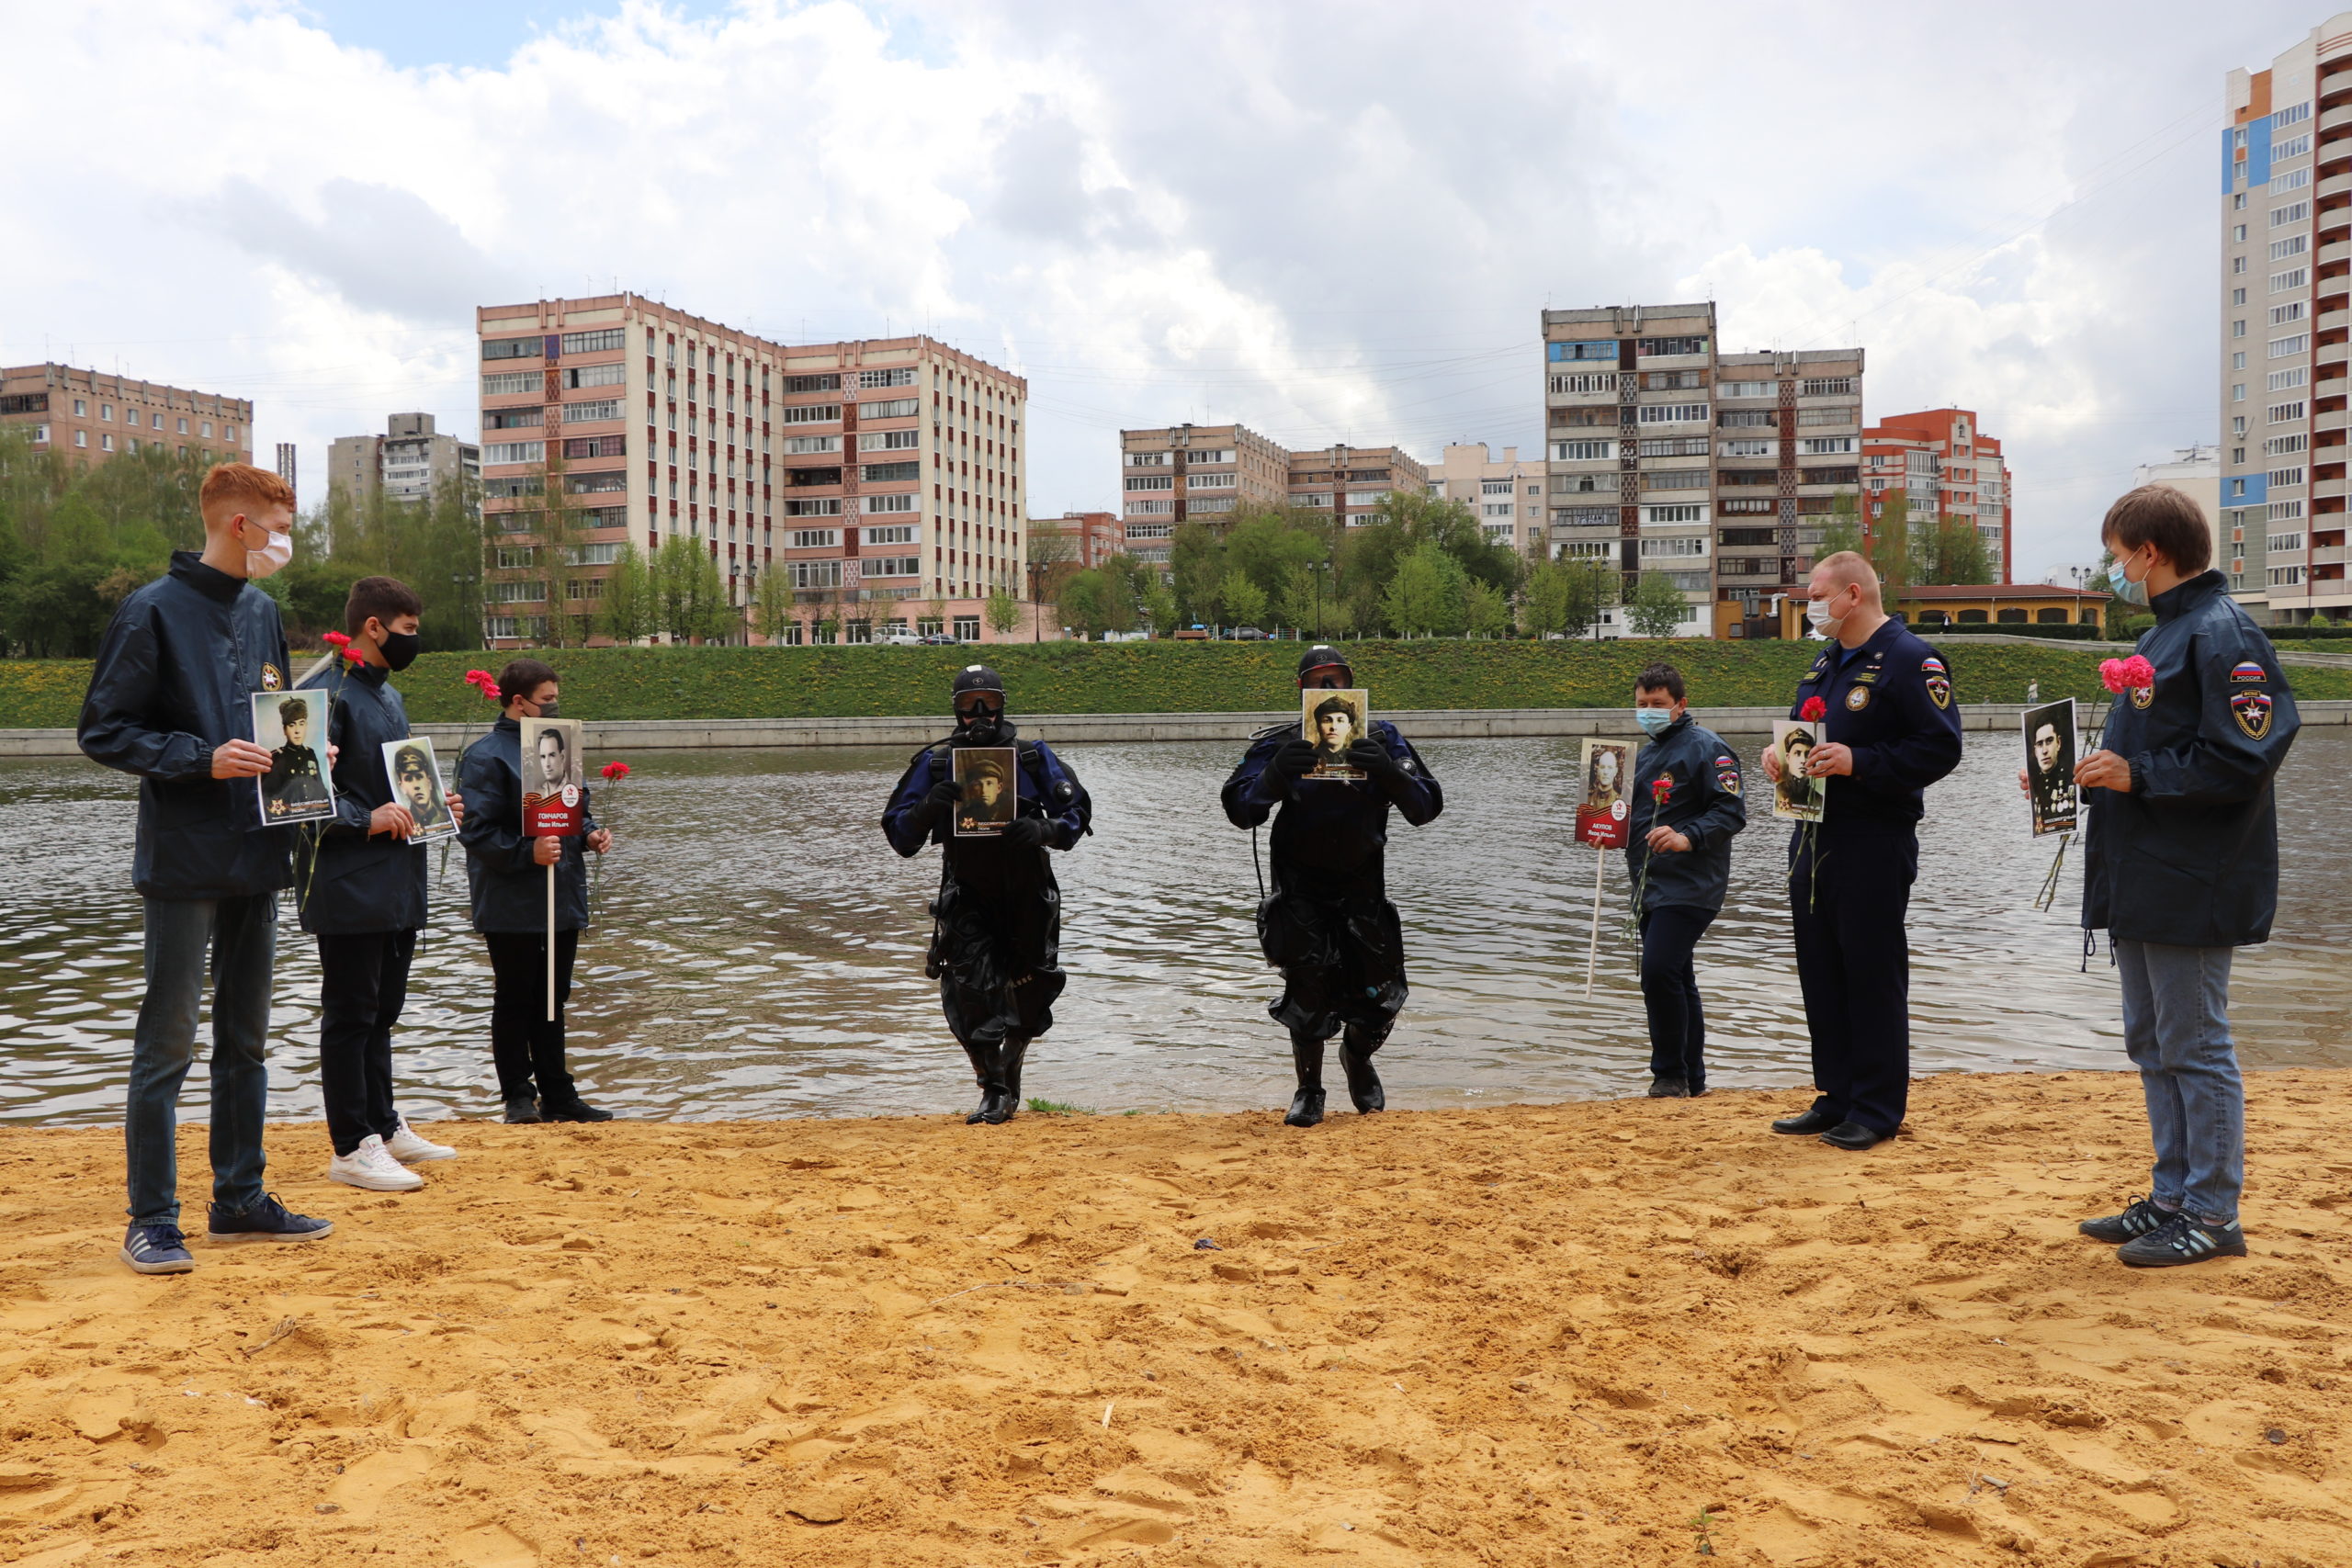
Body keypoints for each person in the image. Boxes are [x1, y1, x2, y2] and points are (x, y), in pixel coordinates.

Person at [76, 462, 334, 1274]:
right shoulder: (150, 610)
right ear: (236, 526)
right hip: (185, 857)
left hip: (259, 852)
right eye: (278, 528)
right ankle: (152, 1216)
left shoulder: (262, 611)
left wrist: (309, 757)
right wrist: (201, 757)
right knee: (167, 1044)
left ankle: (240, 1197)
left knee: (246, 1040)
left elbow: (276, 713)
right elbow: (103, 729)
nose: (285, 543)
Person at [2066, 486, 2298, 1267]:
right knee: (2151, 1039)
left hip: (2194, 877)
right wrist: (2093, 773)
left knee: (2196, 1042)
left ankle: (2213, 1209)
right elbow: (2149, 751)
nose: (2116, 565)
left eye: (2117, 551)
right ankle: (2171, 1194)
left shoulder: (2223, 633)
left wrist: (2138, 776)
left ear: (2149, 552)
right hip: (2139, 872)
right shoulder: (2163, 635)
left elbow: (2246, 755)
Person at [1760, 551, 1962, 1151]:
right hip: (1812, 831)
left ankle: (1876, 1108)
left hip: (1873, 837)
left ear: (1853, 594)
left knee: (1870, 972)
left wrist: (1862, 763)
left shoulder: (1910, 659)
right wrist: (1782, 760)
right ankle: (1837, 1094)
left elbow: (1941, 748)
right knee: (1821, 970)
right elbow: (1810, 735)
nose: (1809, 605)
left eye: (1817, 595)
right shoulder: (1825, 660)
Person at [1222, 645, 1443, 1127]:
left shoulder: (1383, 739)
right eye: (1317, 680)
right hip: (1300, 886)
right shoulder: (1282, 742)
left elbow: (1426, 807)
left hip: (1362, 885)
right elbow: (1240, 809)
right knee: (1308, 988)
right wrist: (1276, 774)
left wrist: (1387, 771)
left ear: (1352, 686)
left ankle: (1358, 1057)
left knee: (1381, 994)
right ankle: (1309, 1089)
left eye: (1337, 679)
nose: (1328, 689)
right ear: (1301, 689)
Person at [297, 577, 466, 1193]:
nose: (412, 641)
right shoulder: (324, 693)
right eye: (408, 629)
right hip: (347, 883)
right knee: (350, 1012)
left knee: (382, 1010)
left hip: (397, 880)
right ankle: (350, 1143)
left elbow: (392, 783)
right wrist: (362, 819)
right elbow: (294, 795)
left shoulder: (385, 695)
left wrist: (433, 805)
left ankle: (384, 1124)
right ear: (374, 627)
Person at [881, 666, 1093, 1124]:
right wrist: (927, 808)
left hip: (1029, 891)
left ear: (1003, 703)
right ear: (955, 709)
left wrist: (1045, 828)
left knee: (1032, 990)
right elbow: (900, 838)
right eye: (969, 704)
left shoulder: (1032, 757)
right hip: (967, 892)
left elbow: (1078, 814)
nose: (980, 714)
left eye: (989, 703)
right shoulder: (936, 764)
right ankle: (993, 1087)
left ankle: (1011, 1059)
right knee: (971, 994)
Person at [457, 660, 614, 1124]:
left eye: (555, 699)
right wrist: (528, 854)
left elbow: (572, 808)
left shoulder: (559, 745)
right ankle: (517, 1096)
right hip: (511, 898)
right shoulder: (486, 755)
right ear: (518, 701)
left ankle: (559, 1093)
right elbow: (476, 832)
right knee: (516, 994)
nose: (554, 706)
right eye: (546, 700)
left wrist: (588, 833)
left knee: (554, 994)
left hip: (560, 892)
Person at [1624, 664, 1746, 1099]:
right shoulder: (1645, 753)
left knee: (1658, 972)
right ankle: (1692, 1078)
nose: (1650, 712)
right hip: (1649, 884)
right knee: (1676, 976)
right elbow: (1629, 817)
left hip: (1692, 883)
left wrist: (1686, 837)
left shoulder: (1706, 747)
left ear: (1680, 705)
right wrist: (1602, 829)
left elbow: (1731, 811)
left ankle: (1668, 1074)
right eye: (1642, 705)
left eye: (1658, 705)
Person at [261, 698, 329, 817]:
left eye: (301, 724)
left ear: (306, 726)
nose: (297, 731)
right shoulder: (276, 758)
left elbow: (320, 790)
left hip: (312, 819)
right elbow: (268, 799)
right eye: (292, 725)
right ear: (284, 730)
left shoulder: (310, 754)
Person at [392, 743, 453, 836]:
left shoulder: (448, 817)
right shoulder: (400, 823)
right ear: (401, 787)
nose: (416, 786)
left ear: (429, 782)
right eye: (408, 779)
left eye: (419, 777)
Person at [2030, 717, 2076, 831]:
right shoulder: (2033, 782)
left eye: (2049, 741)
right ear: (2035, 751)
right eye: (2040, 744)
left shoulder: (2071, 777)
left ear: (2058, 743)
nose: (2044, 750)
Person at [956, 754, 1016, 834]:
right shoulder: (960, 817)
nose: (984, 791)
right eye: (978, 784)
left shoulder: (1010, 812)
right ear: (971, 788)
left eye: (989, 783)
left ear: (999, 788)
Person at [1307, 693, 1363, 778]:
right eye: (1327, 720)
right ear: (1318, 726)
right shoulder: (1308, 758)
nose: (1333, 727)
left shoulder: (1358, 759)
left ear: (1349, 727)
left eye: (1340, 721)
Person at [1776, 728, 1821, 816]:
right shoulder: (1779, 792)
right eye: (1797, 753)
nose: (1803, 760)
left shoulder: (1818, 799)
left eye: (1808, 754)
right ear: (1788, 758)